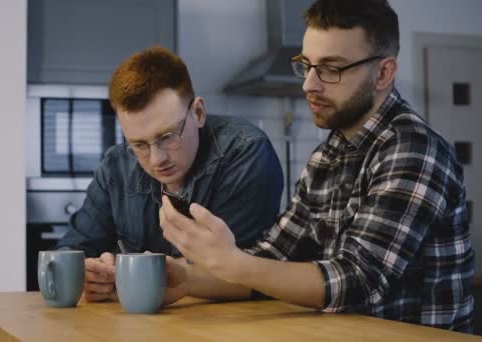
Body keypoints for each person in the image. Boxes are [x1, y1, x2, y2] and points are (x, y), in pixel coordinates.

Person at [159, 0, 474, 333]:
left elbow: (357, 280)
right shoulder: (326, 158)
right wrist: (188, 278)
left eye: (331, 68)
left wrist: (236, 265)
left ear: (383, 73)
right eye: (306, 65)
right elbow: (272, 258)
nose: (309, 84)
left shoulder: (414, 149)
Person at [57, 46, 284, 302]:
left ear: (198, 113)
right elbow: (71, 249)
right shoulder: (116, 165)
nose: (156, 159)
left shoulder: (245, 151)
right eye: (139, 144)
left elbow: (246, 274)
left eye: (167, 136)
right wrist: (89, 272)